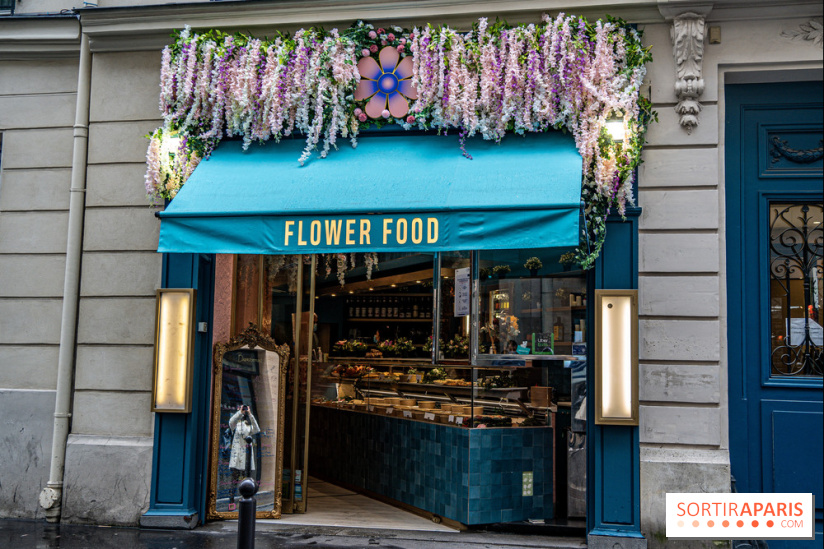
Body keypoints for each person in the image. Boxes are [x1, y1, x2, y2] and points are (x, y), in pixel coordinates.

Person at [227, 404, 260, 509]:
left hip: (246, 455)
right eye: (242, 409)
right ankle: (231, 501)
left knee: (246, 479)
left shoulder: (249, 426)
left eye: (244, 409)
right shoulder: (235, 424)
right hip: (237, 456)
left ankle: (245, 499)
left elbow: (257, 429)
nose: (244, 410)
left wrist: (250, 415)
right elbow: (231, 422)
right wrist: (239, 413)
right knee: (234, 479)